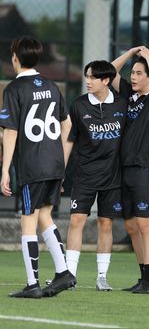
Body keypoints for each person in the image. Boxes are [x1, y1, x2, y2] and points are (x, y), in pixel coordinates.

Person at [0, 36, 75, 298]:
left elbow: (10, 132)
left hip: (32, 165)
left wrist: (4, 170)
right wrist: (61, 161)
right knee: (45, 216)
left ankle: (32, 284)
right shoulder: (53, 86)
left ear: (15, 58)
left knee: (28, 223)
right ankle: (64, 271)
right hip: (54, 163)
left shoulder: (14, 89)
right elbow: (67, 126)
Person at [65, 60, 127, 291]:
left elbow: (133, 136)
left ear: (106, 81)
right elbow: (69, 139)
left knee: (105, 223)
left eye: (92, 77)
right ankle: (69, 274)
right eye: (87, 76)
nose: (88, 81)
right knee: (76, 221)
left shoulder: (122, 105)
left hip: (112, 175)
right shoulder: (78, 105)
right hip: (84, 174)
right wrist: (60, 170)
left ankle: (102, 276)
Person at [111, 46, 149, 294]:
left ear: (148, 77)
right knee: (132, 227)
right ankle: (144, 277)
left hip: (144, 168)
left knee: (145, 225)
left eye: (138, 73)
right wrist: (132, 51)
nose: (133, 77)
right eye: (132, 72)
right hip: (124, 168)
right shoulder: (126, 96)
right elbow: (110, 70)